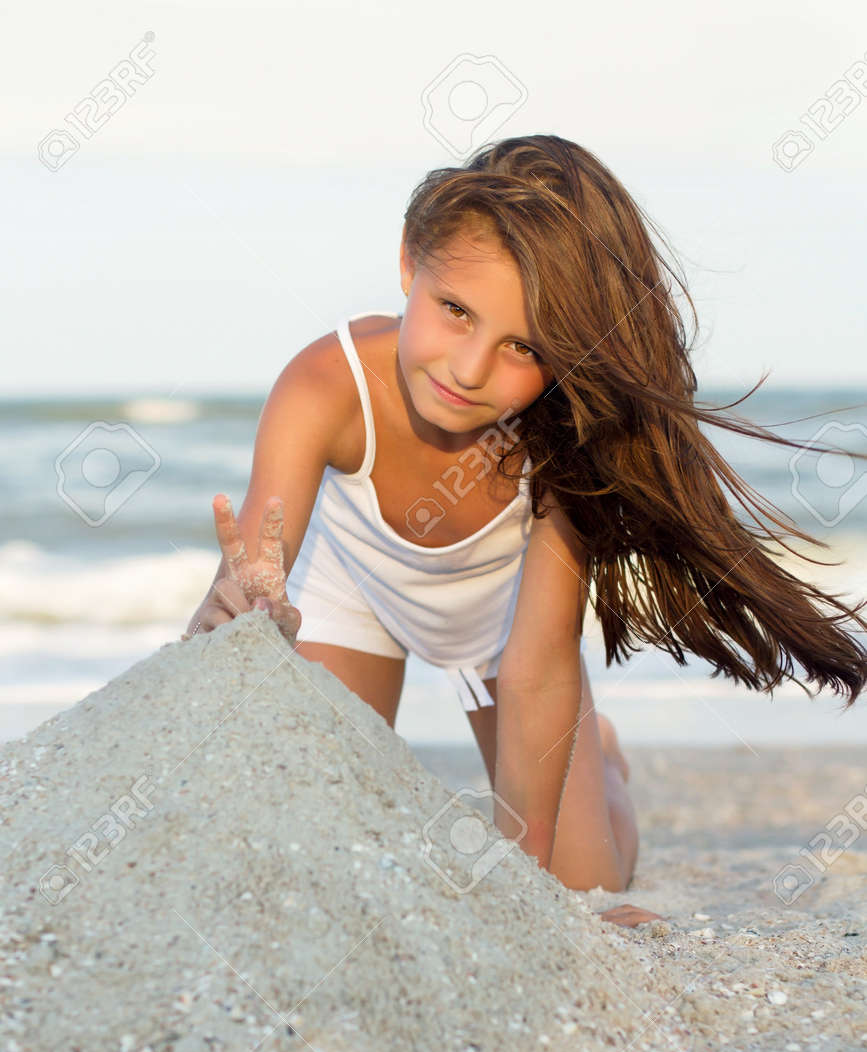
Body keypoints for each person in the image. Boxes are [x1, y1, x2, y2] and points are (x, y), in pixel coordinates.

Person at [181, 134, 867, 927]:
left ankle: (600, 757)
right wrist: (235, 612)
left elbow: (535, 667)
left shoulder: (564, 444)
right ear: (410, 263)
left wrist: (526, 896)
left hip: (501, 627)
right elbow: (260, 567)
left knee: (584, 890)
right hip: (357, 594)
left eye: (521, 347)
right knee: (317, 841)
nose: (469, 370)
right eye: (454, 311)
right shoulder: (326, 382)